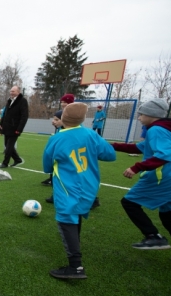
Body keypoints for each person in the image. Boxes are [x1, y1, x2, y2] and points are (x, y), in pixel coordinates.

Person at [43, 103, 116, 279]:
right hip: (89, 185)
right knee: (76, 214)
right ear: (83, 119)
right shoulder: (91, 134)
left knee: (66, 218)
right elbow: (110, 155)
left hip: (67, 186)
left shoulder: (57, 138)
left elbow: (47, 166)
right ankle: (75, 244)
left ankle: (75, 266)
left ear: (64, 118)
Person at [110, 98, 171, 263]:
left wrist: (137, 167)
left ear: (152, 115)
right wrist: (111, 145)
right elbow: (138, 147)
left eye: (141, 114)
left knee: (129, 202)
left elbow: (165, 155)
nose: (139, 117)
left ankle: (153, 236)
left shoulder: (156, 130)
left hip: (164, 177)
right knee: (169, 216)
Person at [42, 94, 73, 186]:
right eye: (62, 102)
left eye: (65, 102)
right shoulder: (61, 113)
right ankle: (53, 179)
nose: (63, 104)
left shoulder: (73, 116)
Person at [0, 86, 28, 168]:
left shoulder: (22, 101)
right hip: (7, 127)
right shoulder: (9, 101)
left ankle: (5, 163)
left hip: (15, 128)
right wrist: (1, 123)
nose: (11, 93)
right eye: (11, 91)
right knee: (7, 145)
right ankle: (17, 159)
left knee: (9, 147)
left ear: (18, 92)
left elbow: (24, 116)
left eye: (13, 91)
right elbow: (5, 114)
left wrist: (19, 129)